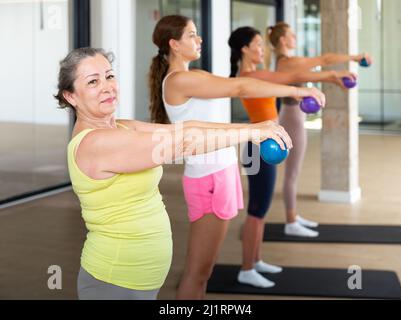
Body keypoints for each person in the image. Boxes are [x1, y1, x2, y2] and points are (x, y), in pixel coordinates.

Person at [55, 47, 292, 300]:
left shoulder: (123, 126)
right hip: (114, 281)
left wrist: (254, 127)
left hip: (138, 280)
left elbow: (185, 129)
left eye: (109, 76)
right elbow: (182, 144)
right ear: (71, 96)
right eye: (93, 81)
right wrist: (250, 134)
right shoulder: (95, 144)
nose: (107, 86)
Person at [148, 15, 325, 299]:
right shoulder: (180, 80)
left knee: (204, 272)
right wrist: (296, 90)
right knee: (198, 272)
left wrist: (297, 85)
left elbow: (243, 83)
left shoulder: (198, 75)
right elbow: (239, 87)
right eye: (192, 35)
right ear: (174, 44)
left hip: (221, 173)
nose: (199, 39)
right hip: (209, 179)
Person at [228, 26, 356, 288]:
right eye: (257, 44)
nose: (262, 49)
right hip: (258, 146)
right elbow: (292, 76)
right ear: (244, 49)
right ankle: (246, 268)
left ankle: (257, 260)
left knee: (261, 209)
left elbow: (292, 76)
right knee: (257, 210)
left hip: (265, 143)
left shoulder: (254, 74)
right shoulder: (251, 75)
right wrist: (332, 76)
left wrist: (331, 78)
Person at [265, 22, 371, 237]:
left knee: (294, 173)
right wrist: (354, 57)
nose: (295, 37)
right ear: (283, 40)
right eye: (291, 34)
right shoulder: (288, 62)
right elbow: (324, 61)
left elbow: (316, 73)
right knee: (292, 174)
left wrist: (334, 77)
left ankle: (293, 216)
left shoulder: (286, 62)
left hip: (293, 114)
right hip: (292, 117)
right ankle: (291, 221)